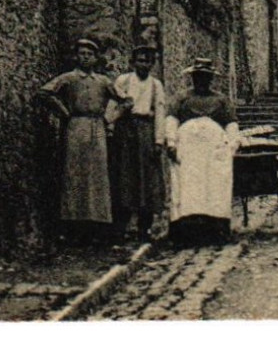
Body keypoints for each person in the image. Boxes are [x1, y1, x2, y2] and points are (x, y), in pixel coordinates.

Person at [35, 38, 129, 243]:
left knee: (97, 174)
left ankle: (98, 225)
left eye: (89, 54)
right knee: (74, 173)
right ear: (76, 57)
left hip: (97, 127)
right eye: (82, 54)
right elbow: (44, 92)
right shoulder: (69, 78)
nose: (85, 57)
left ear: (96, 58)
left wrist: (110, 118)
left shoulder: (103, 81)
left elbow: (126, 101)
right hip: (75, 127)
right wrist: (64, 111)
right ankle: (73, 226)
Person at [164, 58, 241, 245]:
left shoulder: (221, 100)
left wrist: (232, 144)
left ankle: (216, 230)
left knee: (215, 186)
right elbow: (172, 120)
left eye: (205, 77)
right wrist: (171, 142)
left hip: (213, 151)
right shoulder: (182, 98)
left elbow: (231, 123)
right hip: (188, 151)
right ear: (192, 77)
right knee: (187, 187)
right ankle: (185, 232)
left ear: (211, 79)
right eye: (198, 76)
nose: (201, 80)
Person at [111, 45, 167, 242]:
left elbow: (160, 112)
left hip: (145, 130)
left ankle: (145, 227)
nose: (143, 64)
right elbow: (113, 106)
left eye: (147, 61)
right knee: (124, 175)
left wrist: (159, 141)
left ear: (152, 64)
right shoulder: (123, 81)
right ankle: (121, 226)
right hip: (125, 131)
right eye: (140, 60)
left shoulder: (155, 85)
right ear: (133, 62)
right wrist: (111, 126)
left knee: (147, 178)